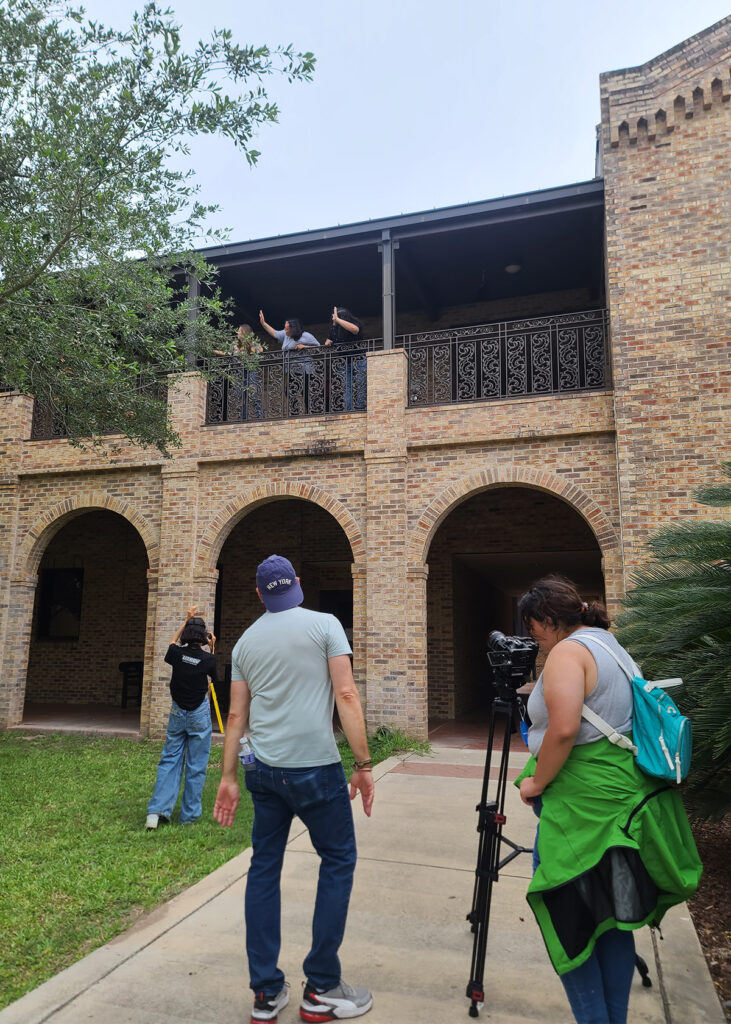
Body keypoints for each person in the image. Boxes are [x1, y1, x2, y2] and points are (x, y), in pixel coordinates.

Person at [515, 576, 702, 1024]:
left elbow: (563, 729)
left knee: (571, 924)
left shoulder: (566, 653)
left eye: (533, 628)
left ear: (546, 620)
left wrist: (536, 784)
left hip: (583, 811)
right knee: (613, 922)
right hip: (621, 804)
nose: (533, 638)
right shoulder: (609, 645)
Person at [214, 554, 374, 1024]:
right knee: (339, 859)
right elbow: (346, 695)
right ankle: (321, 987)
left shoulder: (244, 642)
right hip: (315, 770)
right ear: (298, 585)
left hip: (262, 771)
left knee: (264, 868)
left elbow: (236, 717)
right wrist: (363, 764)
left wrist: (227, 777)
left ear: (259, 594)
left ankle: (266, 994)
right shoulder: (325, 625)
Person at [145, 606, 218, 830]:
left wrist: (184, 621)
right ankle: (189, 817)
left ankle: (156, 813)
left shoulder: (177, 654)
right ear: (204, 637)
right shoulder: (207, 659)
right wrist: (212, 646)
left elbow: (171, 643)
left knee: (169, 760)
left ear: (186, 635)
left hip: (177, 712)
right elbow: (212, 676)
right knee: (196, 765)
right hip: (199, 714)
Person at [258, 312, 320, 416]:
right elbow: (274, 333)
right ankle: (294, 412)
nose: (285, 330)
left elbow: (318, 348)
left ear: (293, 328)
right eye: (285, 328)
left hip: (305, 370)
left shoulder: (306, 336)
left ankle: (311, 412)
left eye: (287, 328)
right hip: (292, 371)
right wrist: (263, 323)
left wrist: (304, 347)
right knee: (289, 392)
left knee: (305, 392)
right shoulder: (286, 336)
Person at [324, 307, 364, 412]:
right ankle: (348, 408)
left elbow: (355, 330)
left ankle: (360, 407)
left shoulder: (354, 322)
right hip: (345, 362)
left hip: (359, 360)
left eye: (334, 317)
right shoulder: (335, 328)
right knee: (347, 386)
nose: (333, 319)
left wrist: (337, 320)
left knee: (360, 384)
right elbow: (328, 341)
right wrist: (334, 324)